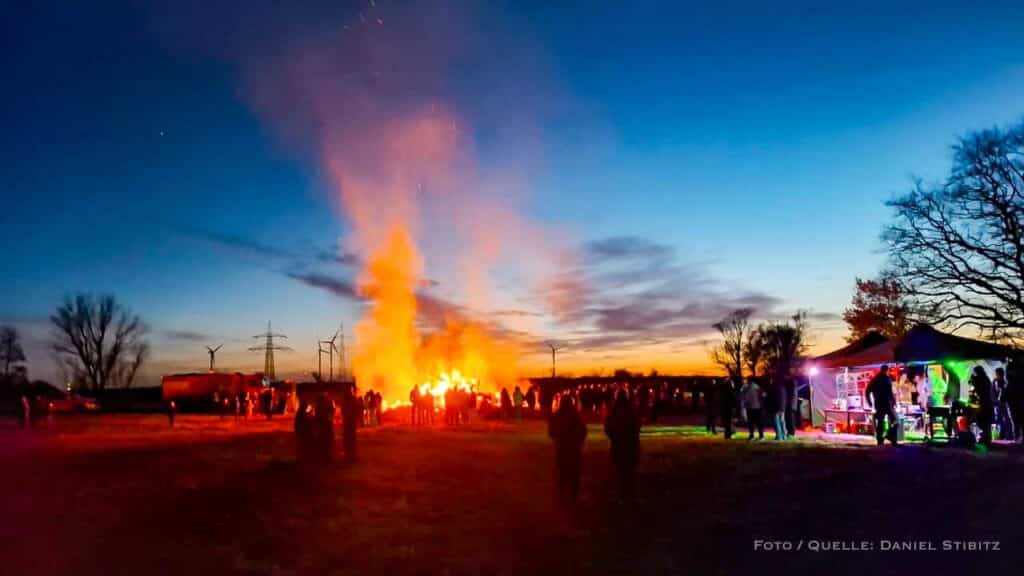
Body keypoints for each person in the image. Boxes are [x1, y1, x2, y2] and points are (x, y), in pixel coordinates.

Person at [548, 394, 588, 503]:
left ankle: (562, 495)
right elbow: (583, 431)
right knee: (574, 473)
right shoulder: (576, 415)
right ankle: (574, 496)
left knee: (562, 472)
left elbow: (551, 432)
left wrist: (559, 437)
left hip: (561, 448)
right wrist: (578, 441)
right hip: (574, 448)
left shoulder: (556, 416)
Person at [604, 390, 640, 501]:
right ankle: (631, 495)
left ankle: (622, 495)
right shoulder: (631, 411)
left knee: (621, 473)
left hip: (618, 446)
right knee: (630, 472)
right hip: (630, 446)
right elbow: (636, 427)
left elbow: (608, 427)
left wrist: (614, 437)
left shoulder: (614, 412)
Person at [865, 365, 898, 446]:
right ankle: (890, 436)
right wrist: (894, 402)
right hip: (887, 403)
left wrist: (870, 403)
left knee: (880, 422)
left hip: (878, 403)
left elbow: (867, 391)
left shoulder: (874, 379)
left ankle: (880, 440)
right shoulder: (887, 379)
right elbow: (890, 392)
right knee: (895, 420)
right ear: (887, 370)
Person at [970, 366, 994, 446]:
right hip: (986, 402)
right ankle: (986, 438)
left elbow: (979, 389)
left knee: (983, 421)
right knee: (984, 422)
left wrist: (974, 379)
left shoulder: (982, 379)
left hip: (985, 403)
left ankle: (985, 438)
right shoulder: (985, 378)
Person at [993, 367, 1013, 440]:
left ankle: (1008, 435)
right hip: (1000, 402)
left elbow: (1002, 391)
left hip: (1004, 402)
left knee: (1006, 419)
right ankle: (1003, 434)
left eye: (997, 373)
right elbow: (995, 391)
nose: (996, 375)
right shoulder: (996, 381)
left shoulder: (1004, 381)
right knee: (1000, 419)